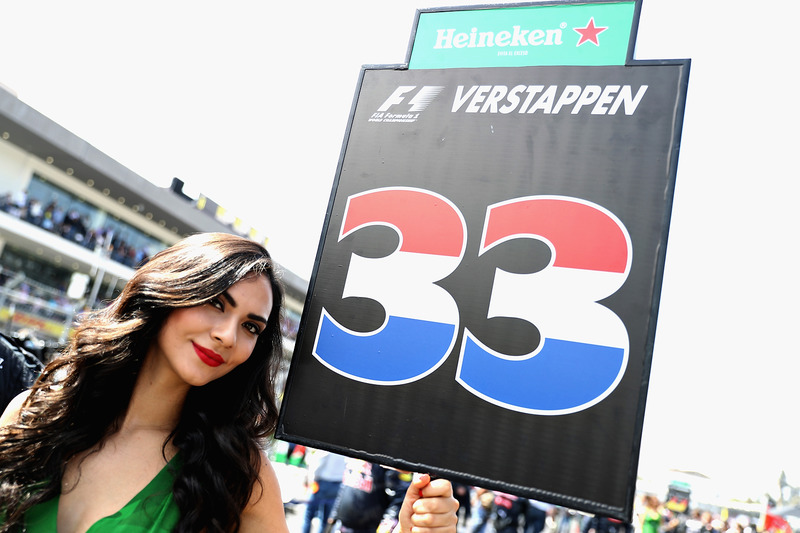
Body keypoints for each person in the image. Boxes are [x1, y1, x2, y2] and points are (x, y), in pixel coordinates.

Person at [0, 232, 459, 533]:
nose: (227, 335)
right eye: (217, 304)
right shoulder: (34, 414)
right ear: (170, 292)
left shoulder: (237, 474)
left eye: (251, 327)